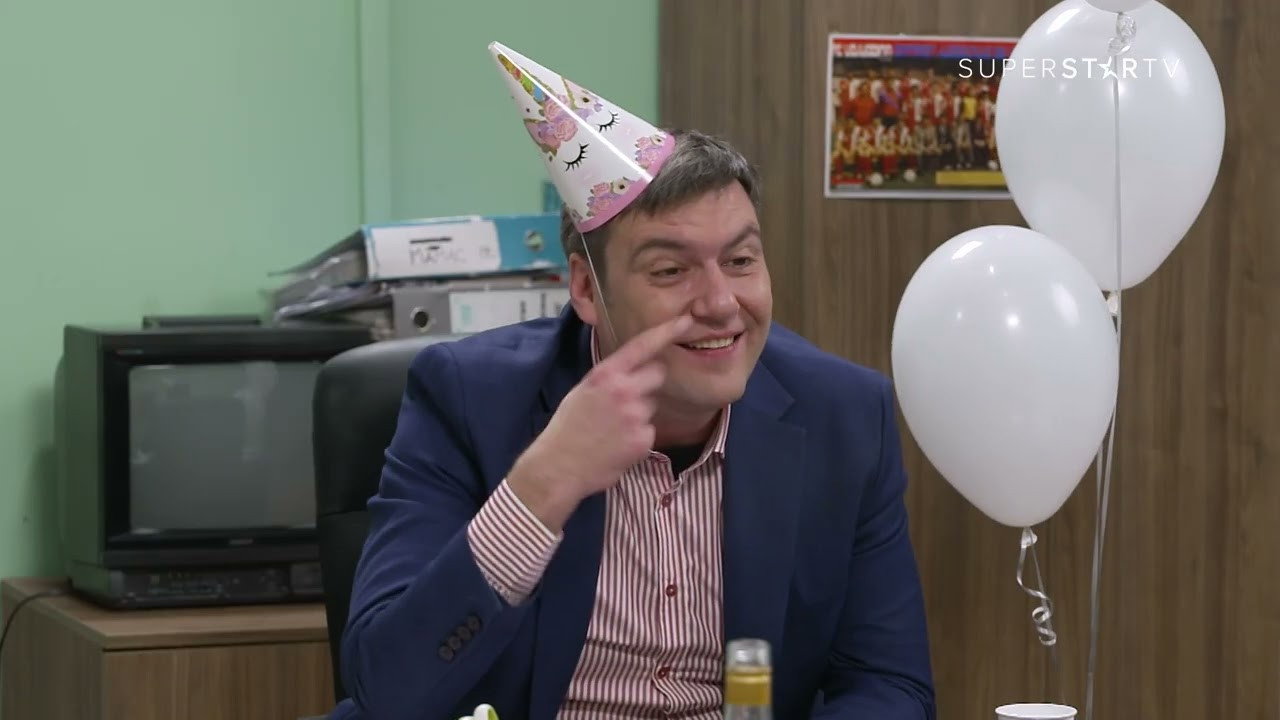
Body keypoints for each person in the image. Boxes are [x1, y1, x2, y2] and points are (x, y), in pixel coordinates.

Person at [326, 41, 935, 720]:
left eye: (740, 260)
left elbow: (889, 685)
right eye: (670, 271)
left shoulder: (845, 415)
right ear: (588, 289)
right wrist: (542, 486)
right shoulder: (468, 400)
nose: (721, 304)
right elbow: (387, 690)